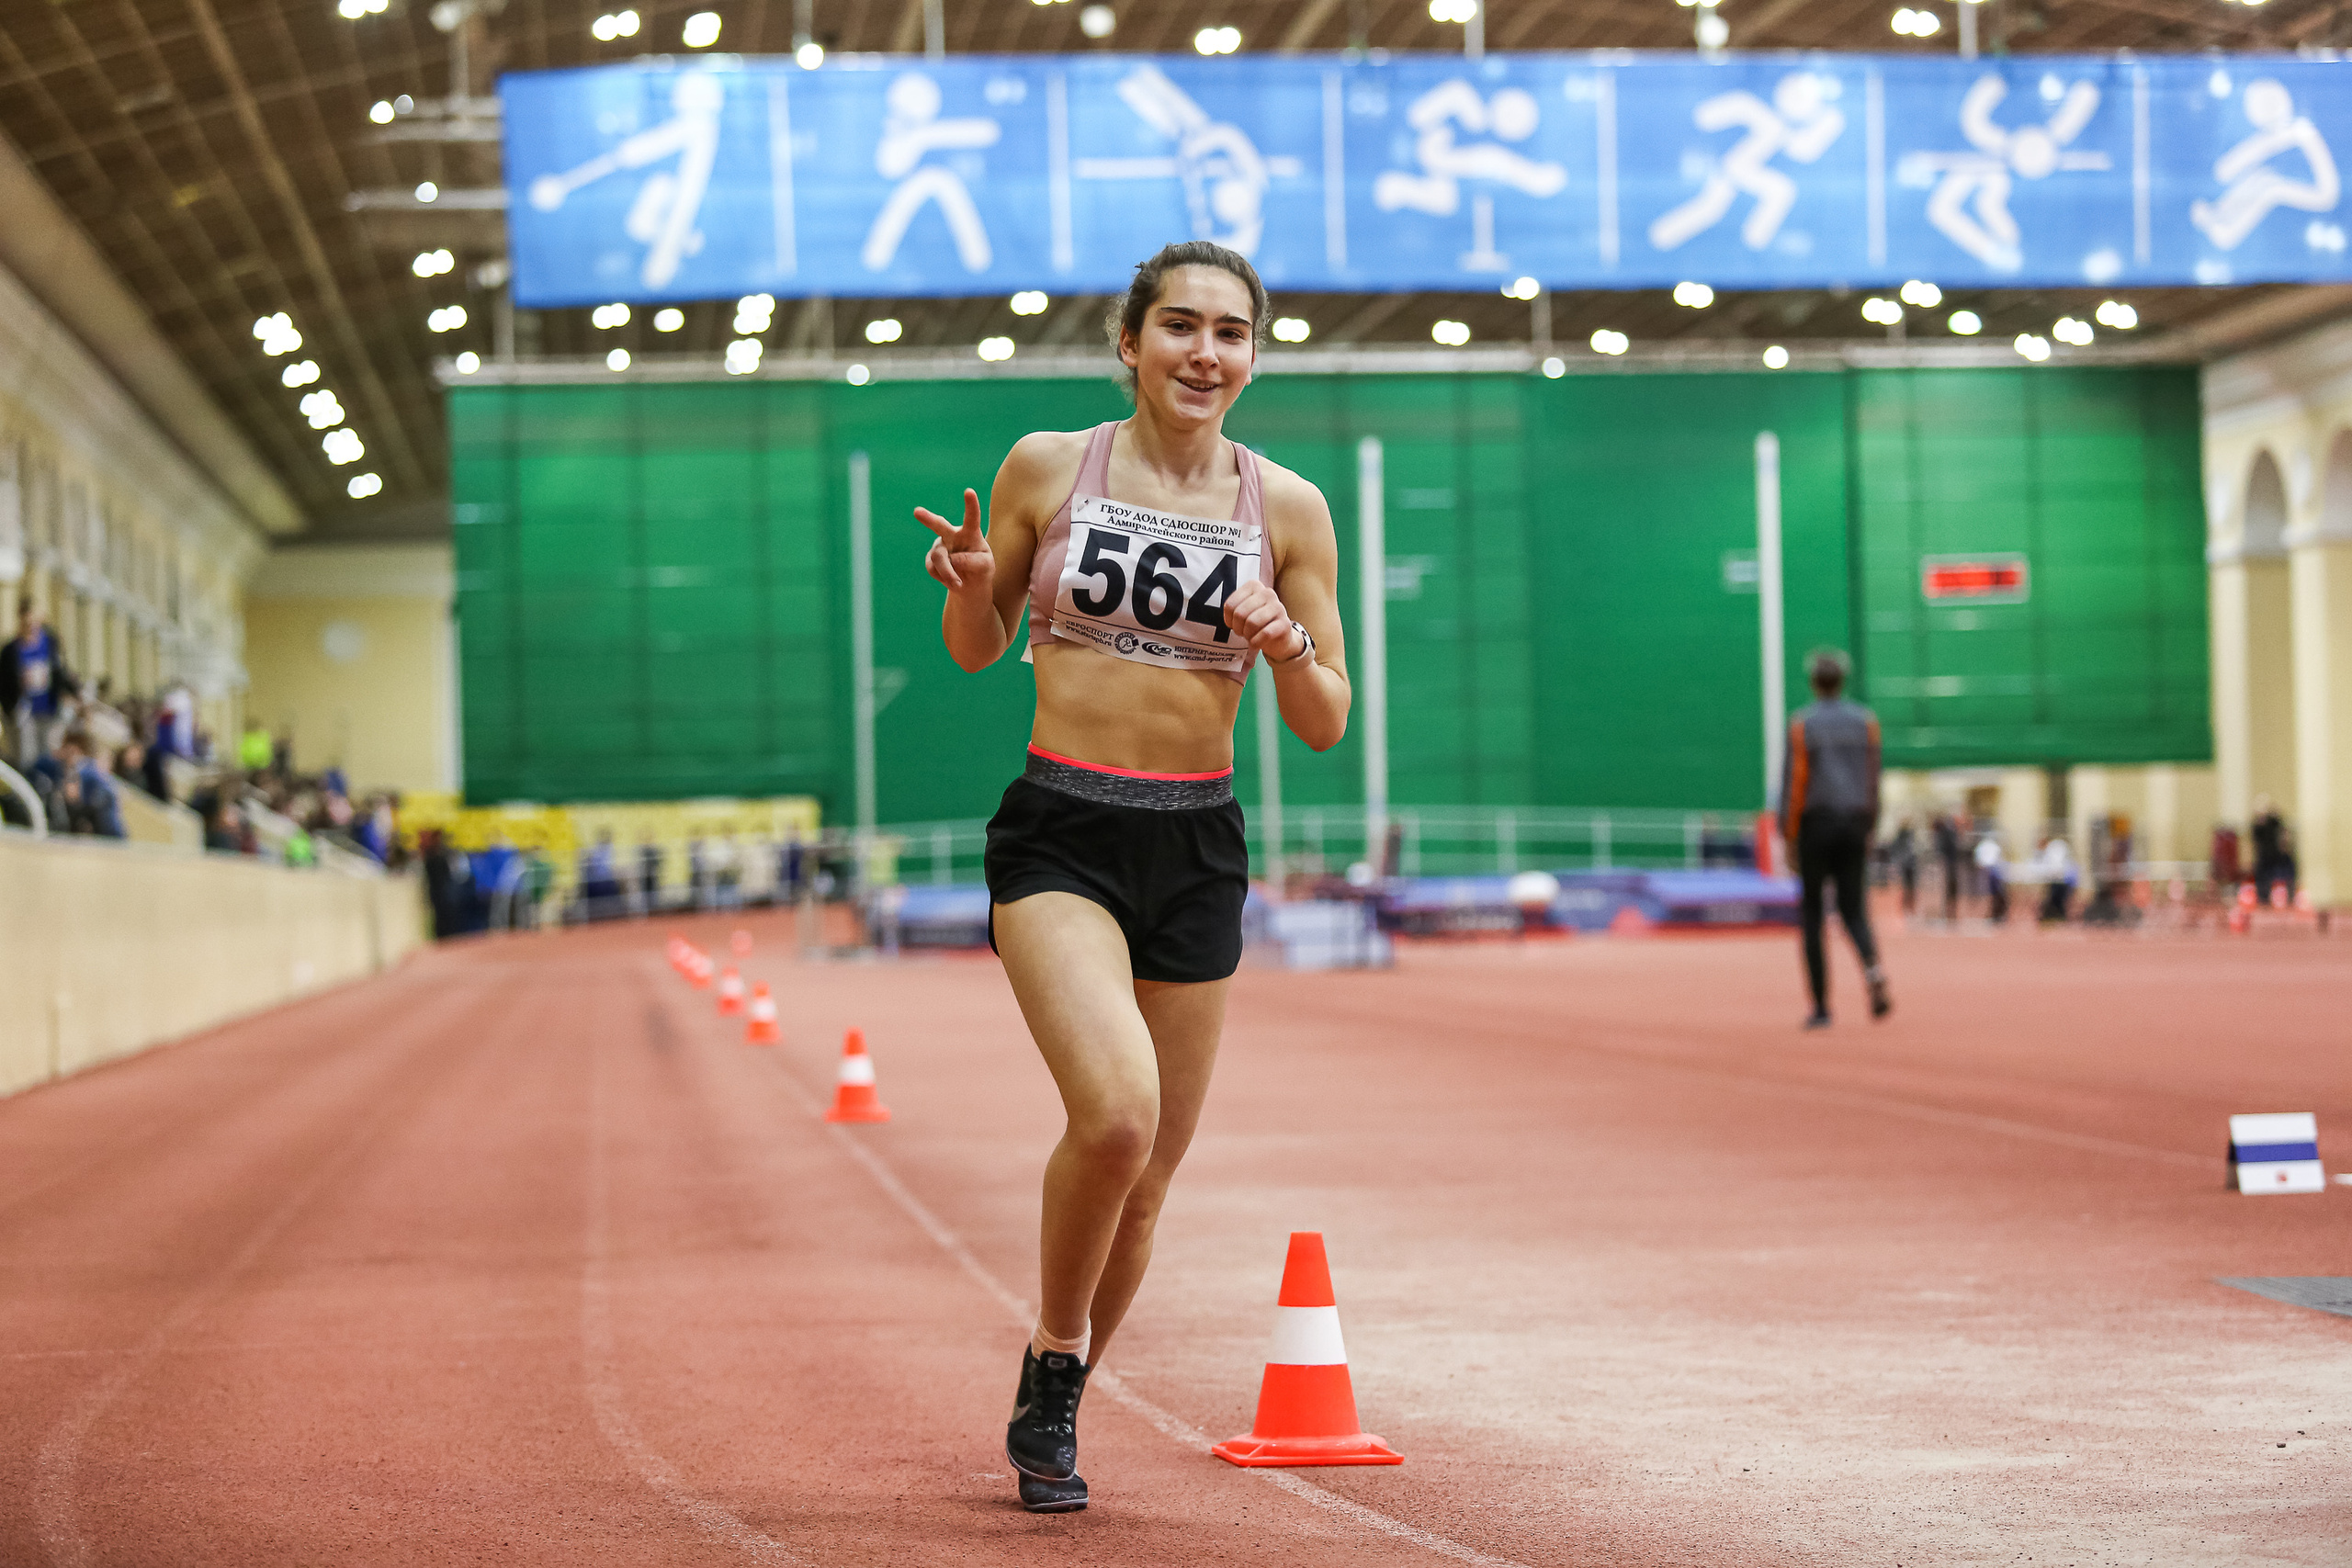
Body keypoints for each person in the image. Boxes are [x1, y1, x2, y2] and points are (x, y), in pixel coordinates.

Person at [914, 240, 1349, 1514]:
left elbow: (1325, 716)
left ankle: (1065, 1378)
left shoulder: (1290, 507)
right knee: (1115, 1111)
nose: (1204, 352)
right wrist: (980, 585)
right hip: (1060, 825)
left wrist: (1286, 645)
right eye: (1179, 326)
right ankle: (1054, 1358)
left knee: (1150, 1170)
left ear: (1253, 354)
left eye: (1230, 331)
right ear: (1130, 341)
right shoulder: (1051, 464)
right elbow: (975, 650)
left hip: (1195, 842)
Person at [1778, 649, 1891, 1028]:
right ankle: (1873, 971)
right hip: (1855, 822)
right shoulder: (1866, 722)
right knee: (1853, 910)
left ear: (1814, 682)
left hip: (1816, 824)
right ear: (1842, 680)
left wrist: (1788, 835)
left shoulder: (1802, 724)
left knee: (1812, 916)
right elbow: (1874, 778)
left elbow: (1796, 783)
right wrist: (1871, 825)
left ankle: (1822, 1008)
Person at [1, 597, 76, 768]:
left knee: (47, 754)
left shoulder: (50, 643)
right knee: (27, 757)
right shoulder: (11, 650)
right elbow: (5, 682)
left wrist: (71, 693)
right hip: (24, 711)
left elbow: (60, 671)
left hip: (48, 708)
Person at [1974, 828, 2008, 923]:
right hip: (1992, 871)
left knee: (1994, 894)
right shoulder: (1992, 846)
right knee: (1994, 894)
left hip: (1989, 871)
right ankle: (1994, 913)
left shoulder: (1983, 846)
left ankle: (1994, 913)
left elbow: (1979, 861)